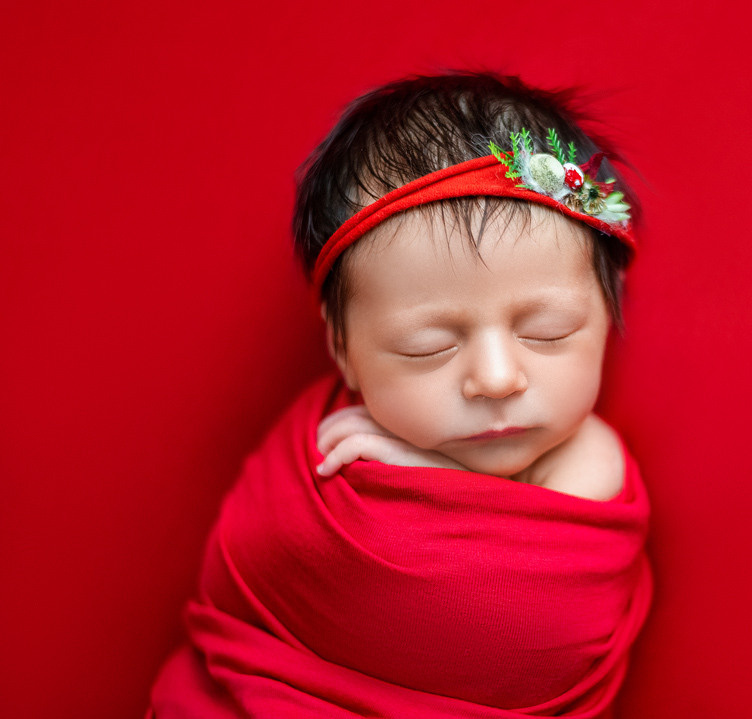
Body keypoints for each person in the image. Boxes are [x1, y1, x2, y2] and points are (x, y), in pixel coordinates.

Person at [147, 71, 652, 719]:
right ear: (341, 348)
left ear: (606, 319)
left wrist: (431, 472)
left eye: (546, 332)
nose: (496, 378)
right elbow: (251, 560)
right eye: (427, 347)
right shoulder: (319, 451)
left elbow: (538, 628)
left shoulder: (590, 458)